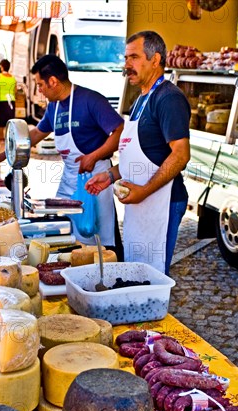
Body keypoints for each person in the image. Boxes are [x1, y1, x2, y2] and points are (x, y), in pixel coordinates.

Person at [0, 54, 124, 258]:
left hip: (97, 177)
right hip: (70, 177)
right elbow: (36, 134)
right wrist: (4, 154)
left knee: (102, 236)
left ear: (53, 81)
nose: (39, 90)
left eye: (40, 85)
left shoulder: (90, 100)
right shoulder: (53, 107)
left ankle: (114, 273)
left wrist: (94, 156)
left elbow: (119, 130)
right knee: (68, 232)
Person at [85, 31, 191, 274]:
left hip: (161, 203)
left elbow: (181, 155)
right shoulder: (140, 99)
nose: (126, 65)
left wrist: (144, 191)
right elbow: (140, 155)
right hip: (140, 202)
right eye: (125, 58)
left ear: (155, 60)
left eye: (134, 57)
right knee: (136, 271)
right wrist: (111, 175)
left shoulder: (168, 98)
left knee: (152, 275)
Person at [0, 59, 17, 141]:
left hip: (1, 100)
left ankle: (1, 137)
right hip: (11, 100)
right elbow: (15, 91)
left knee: (1, 119)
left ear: (2, 67)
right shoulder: (13, 78)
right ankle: (10, 137)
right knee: (10, 119)